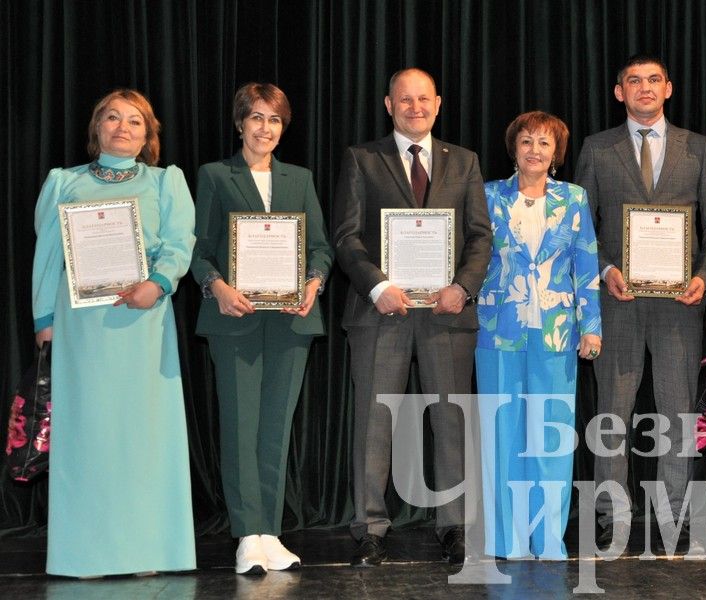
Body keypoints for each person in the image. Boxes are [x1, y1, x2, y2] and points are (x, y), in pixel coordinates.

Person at [31, 89, 196, 577]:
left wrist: (158, 283)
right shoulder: (63, 182)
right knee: (87, 437)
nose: (122, 127)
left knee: (141, 438)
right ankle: (86, 555)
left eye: (135, 121)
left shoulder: (167, 182)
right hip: (81, 331)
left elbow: (178, 244)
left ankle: (146, 551)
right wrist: (44, 321)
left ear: (148, 136)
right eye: (112, 117)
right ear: (96, 128)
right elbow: (46, 259)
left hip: (142, 325)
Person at [333, 68, 492, 566]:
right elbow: (346, 236)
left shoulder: (464, 161)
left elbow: (480, 236)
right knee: (374, 423)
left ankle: (454, 528)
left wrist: (463, 288)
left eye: (424, 99)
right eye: (405, 99)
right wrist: (377, 286)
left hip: (446, 315)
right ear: (388, 104)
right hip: (381, 312)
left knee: (450, 422)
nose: (415, 107)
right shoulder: (362, 159)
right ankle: (370, 529)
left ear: (438, 103)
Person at [575, 54, 706, 551]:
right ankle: (610, 515)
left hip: (680, 304)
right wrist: (604, 269)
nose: (644, 88)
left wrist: (703, 275)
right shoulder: (597, 149)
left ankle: (675, 516)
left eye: (653, 80)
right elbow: (580, 227)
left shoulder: (697, 148)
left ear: (669, 88)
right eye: (633, 81)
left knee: (678, 412)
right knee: (612, 413)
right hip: (616, 301)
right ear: (619, 92)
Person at [190, 83, 333, 575]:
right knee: (239, 424)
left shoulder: (300, 177)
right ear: (240, 123)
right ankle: (246, 533)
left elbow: (320, 246)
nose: (265, 128)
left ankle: (269, 531)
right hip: (236, 319)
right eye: (256, 118)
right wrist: (217, 286)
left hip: (292, 320)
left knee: (276, 426)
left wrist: (314, 281)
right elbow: (199, 248)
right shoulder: (215, 175)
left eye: (274, 120)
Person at [477, 111, 602, 560]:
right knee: (503, 436)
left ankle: (547, 540)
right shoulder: (487, 196)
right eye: (527, 141)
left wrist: (591, 327)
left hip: (556, 331)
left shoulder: (573, 198)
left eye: (544, 143)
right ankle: (506, 540)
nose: (534, 150)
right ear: (514, 148)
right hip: (498, 331)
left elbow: (586, 264)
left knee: (548, 436)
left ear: (557, 153)